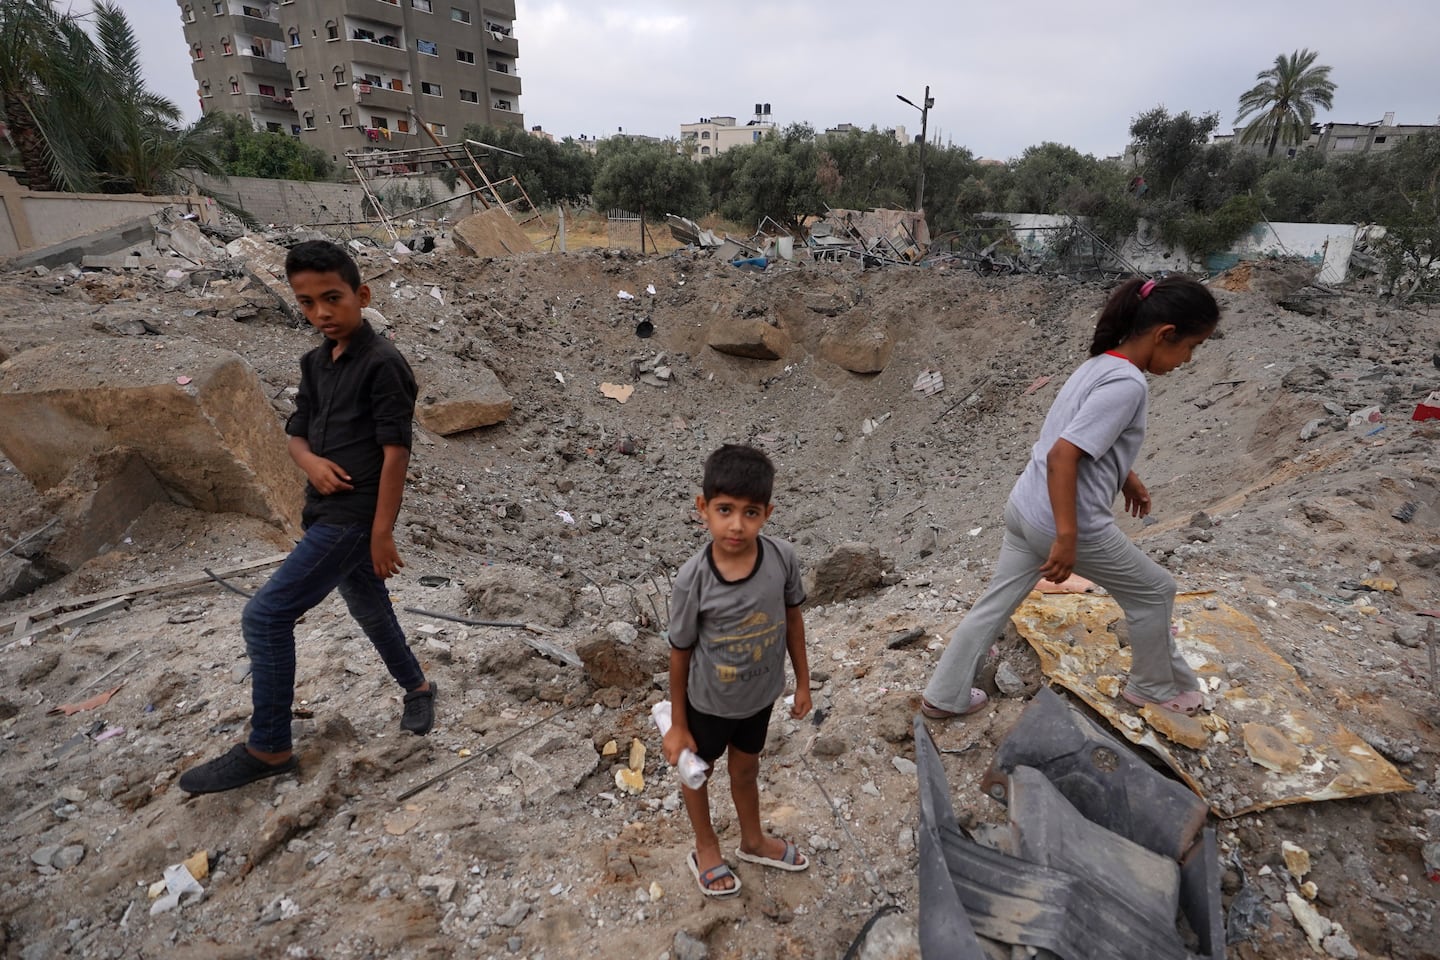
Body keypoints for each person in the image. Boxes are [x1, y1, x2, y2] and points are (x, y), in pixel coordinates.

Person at [180, 240, 435, 795]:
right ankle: (418, 689)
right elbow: (296, 431)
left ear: (361, 295)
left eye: (332, 298)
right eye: (307, 302)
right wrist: (310, 462)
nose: (321, 312)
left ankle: (269, 746)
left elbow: (396, 453)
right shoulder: (315, 363)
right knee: (369, 607)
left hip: (353, 515)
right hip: (322, 507)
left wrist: (381, 532)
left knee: (265, 617)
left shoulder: (384, 365)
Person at [922, 276, 1220, 720]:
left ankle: (944, 695)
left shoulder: (1100, 364)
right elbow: (1065, 455)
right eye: (1190, 347)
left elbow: (1083, 439)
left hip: (1025, 505)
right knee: (1156, 591)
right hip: (1060, 520)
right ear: (1164, 334)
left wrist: (1127, 477)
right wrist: (1066, 537)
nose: (1187, 360)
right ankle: (1152, 688)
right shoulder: (1128, 385)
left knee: (994, 605)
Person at [662, 444, 812, 897]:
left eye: (750, 512)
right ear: (703, 508)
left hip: (759, 697)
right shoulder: (694, 580)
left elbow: (793, 620)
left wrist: (803, 682)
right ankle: (706, 846)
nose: (736, 525)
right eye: (725, 510)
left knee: (746, 771)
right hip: (709, 703)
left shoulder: (782, 558)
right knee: (698, 773)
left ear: (767, 513)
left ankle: (752, 839)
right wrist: (678, 725)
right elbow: (679, 653)